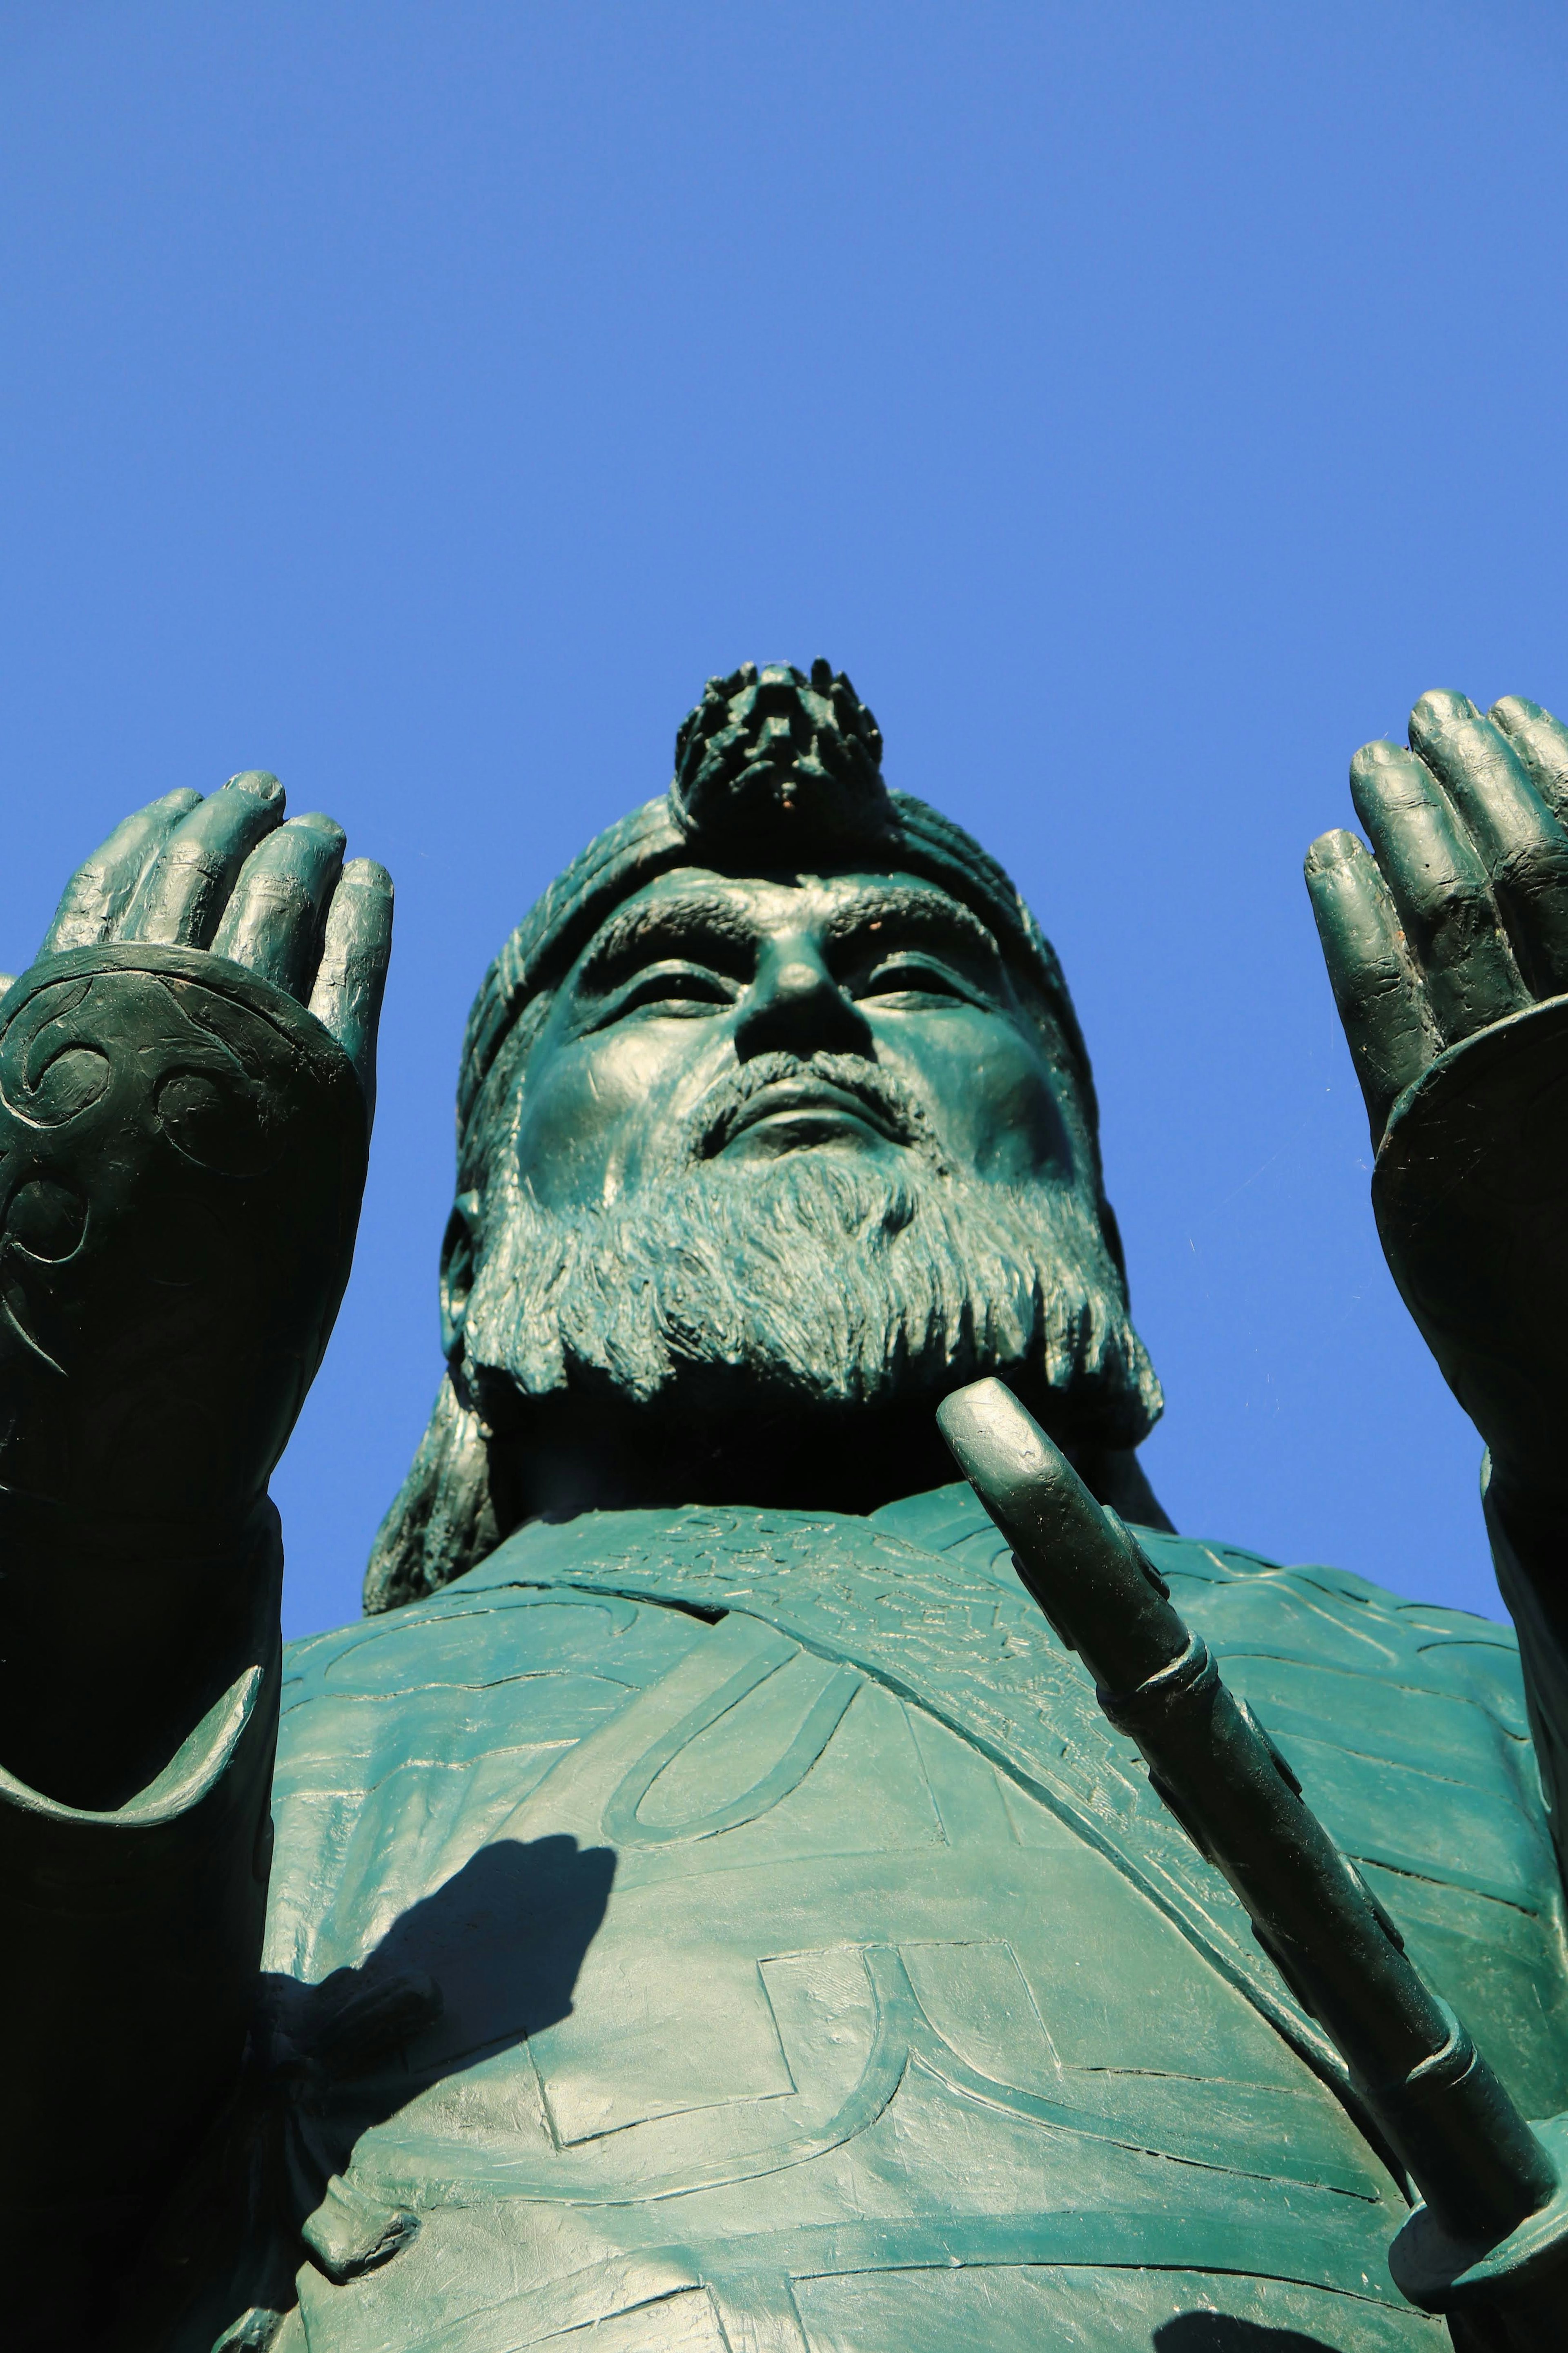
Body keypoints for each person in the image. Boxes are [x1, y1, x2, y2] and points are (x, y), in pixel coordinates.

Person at [5, 662, 1566, 2351]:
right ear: (468, 1257)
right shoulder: (261, 1760)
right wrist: (95, 1550)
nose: (804, 1001)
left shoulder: (1473, 1701)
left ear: (1097, 1206)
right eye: (669, 980)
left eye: (914, 970)